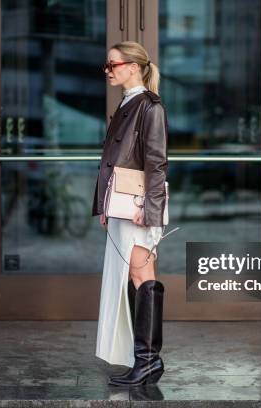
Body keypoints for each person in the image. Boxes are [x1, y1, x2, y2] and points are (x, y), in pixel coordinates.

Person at [91, 40, 169, 386]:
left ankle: (149, 362)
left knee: (140, 277)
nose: (108, 71)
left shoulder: (149, 107)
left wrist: (150, 211)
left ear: (134, 66)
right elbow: (114, 160)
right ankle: (145, 361)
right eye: (107, 66)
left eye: (113, 65)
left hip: (138, 209)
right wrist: (105, 205)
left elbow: (156, 163)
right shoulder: (128, 103)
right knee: (136, 278)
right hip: (124, 206)